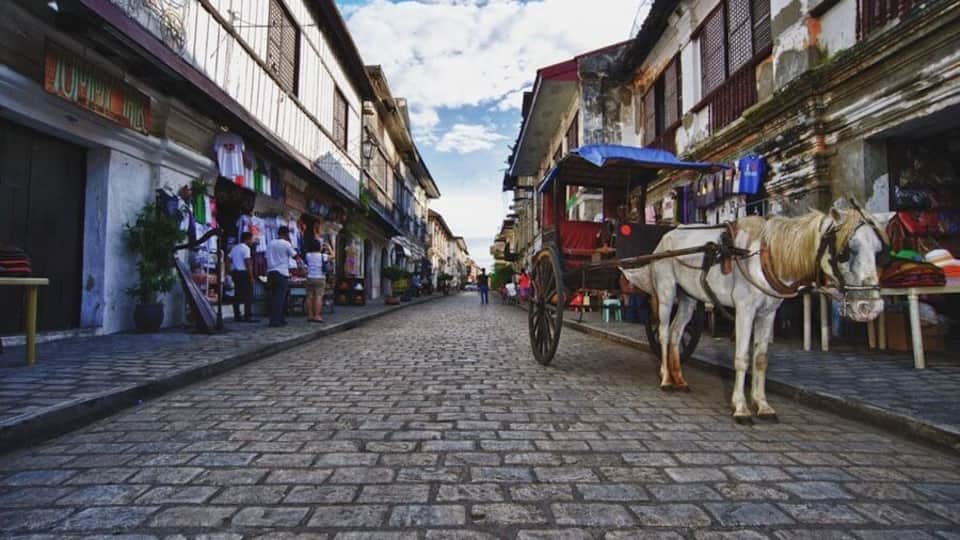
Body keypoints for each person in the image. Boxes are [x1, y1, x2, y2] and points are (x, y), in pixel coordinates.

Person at [266, 225, 299, 327]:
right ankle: (276, 320)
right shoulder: (286, 244)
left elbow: (266, 257)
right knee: (280, 298)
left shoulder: (270, 243)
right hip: (281, 273)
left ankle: (278, 318)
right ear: (286, 234)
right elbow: (295, 256)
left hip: (271, 272)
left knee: (273, 297)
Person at [228, 232, 258, 323]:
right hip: (244, 273)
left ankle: (237, 315)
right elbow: (248, 263)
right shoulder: (246, 249)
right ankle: (247, 316)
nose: (252, 241)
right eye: (251, 239)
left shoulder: (235, 248)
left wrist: (228, 270)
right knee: (248, 295)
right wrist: (251, 276)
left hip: (235, 272)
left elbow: (228, 259)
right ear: (247, 239)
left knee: (237, 294)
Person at [304, 226, 332, 323]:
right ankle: (317, 316)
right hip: (320, 278)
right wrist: (328, 247)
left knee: (309, 297)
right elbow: (333, 256)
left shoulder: (308, 255)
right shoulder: (323, 256)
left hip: (310, 277)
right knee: (318, 297)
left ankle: (310, 315)